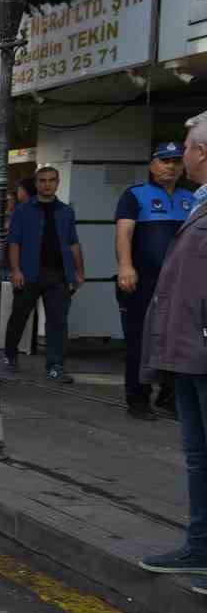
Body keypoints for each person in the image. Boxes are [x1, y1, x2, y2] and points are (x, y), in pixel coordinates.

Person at [138, 113, 207, 582]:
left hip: (202, 347)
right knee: (197, 455)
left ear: (202, 153)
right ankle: (198, 547)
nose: (180, 156)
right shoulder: (200, 202)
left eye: (185, 146)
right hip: (186, 349)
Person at [117, 142, 195, 421]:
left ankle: (169, 396)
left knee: (178, 341)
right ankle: (137, 398)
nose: (171, 167)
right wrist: (126, 266)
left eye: (176, 161)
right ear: (152, 165)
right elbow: (124, 234)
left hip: (181, 285)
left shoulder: (193, 198)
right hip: (142, 282)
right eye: (164, 161)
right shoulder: (135, 195)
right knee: (141, 341)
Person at [5, 166, 84, 382]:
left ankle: (55, 365)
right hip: (29, 273)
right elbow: (14, 243)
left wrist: (79, 272)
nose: (46, 184)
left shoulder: (66, 212)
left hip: (58, 274)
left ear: (57, 183)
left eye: (51, 180)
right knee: (19, 316)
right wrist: (16, 270)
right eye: (42, 180)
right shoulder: (22, 210)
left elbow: (73, 242)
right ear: (36, 184)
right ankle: (10, 356)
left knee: (58, 321)